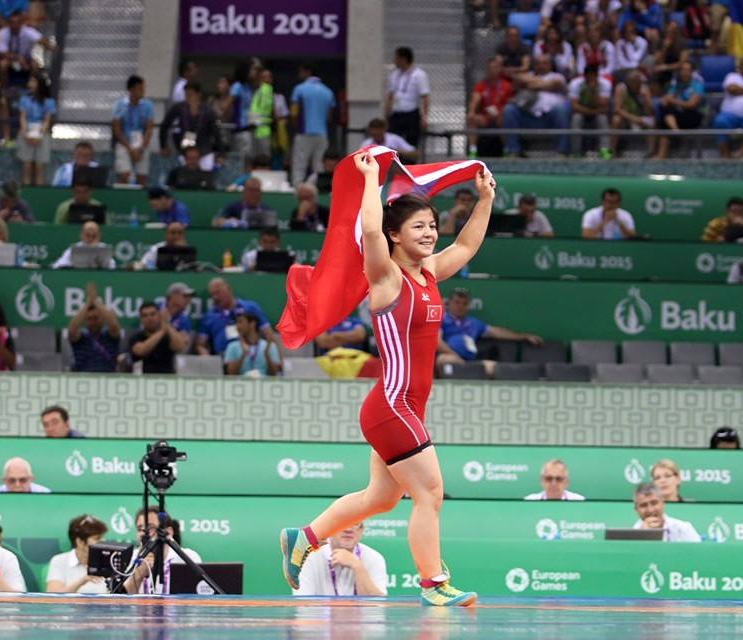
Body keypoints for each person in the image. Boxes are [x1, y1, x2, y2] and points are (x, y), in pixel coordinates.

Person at [279, 154, 497, 607]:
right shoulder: (386, 277)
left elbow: (467, 246)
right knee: (429, 492)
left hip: (407, 407)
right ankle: (433, 584)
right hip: (391, 406)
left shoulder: (430, 273)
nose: (430, 233)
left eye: (432, 225)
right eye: (419, 227)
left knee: (380, 499)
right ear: (397, 235)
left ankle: (304, 537)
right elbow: (371, 231)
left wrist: (485, 200)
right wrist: (371, 179)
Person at [436, 287, 542, 364]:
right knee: (444, 360)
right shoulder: (442, 319)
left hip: (471, 361)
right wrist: (454, 355)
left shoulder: (473, 323)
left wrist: (524, 336)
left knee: (493, 367)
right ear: (449, 303)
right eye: (457, 302)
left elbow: (497, 332)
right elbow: (437, 342)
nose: (460, 306)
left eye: (464, 303)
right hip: (451, 356)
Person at [501, 54, 571, 157]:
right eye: (538, 63)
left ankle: (562, 152)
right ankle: (513, 151)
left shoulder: (557, 76)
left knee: (560, 109)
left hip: (550, 118)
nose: (541, 66)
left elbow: (556, 84)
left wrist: (530, 84)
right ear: (534, 65)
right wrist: (545, 84)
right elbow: (517, 79)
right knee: (509, 110)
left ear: (550, 65)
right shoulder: (528, 74)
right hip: (528, 117)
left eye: (544, 63)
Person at [292, 523, 388, 597]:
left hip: (360, 618)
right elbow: (303, 605)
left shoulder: (374, 558)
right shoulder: (308, 557)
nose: (348, 529)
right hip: (318, 618)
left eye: (355, 523)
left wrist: (358, 567)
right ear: (330, 528)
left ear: (361, 530)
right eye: (343, 522)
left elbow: (378, 606)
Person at [123, 506, 201, 595]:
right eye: (140, 529)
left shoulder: (187, 558)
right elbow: (122, 599)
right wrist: (139, 574)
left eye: (151, 527)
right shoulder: (130, 558)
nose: (143, 533)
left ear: (169, 532)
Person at [197, 278, 278, 357]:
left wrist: (274, 357)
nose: (215, 297)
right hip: (222, 357)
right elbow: (200, 345)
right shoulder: (209, 316)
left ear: (229, 289)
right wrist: (207, 359)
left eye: (218, 292)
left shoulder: (250, 308)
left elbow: (268, 334)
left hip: (250, 356)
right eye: (212, 294)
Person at [289, 63, 335, 185]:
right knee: (319, 165)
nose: (299, 74)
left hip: (304, 132)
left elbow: (294, 112)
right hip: (322, 134)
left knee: (300, 164)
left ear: (307, 72)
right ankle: (319, 187)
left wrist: (294, 128)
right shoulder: (328, 91)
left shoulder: (299, 89)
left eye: (301, 72)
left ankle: (297, 187)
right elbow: (329, 117)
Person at [159, 81, 218, 171]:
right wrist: (163, 145)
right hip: (186, 148)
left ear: (198, 95)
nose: (188, 97)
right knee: (186, 173)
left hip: (204, 149)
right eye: (186, 94)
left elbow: (216, 132)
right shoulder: (179, 108)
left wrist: (221, 153)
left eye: (191, 94)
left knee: (205, 174)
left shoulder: (208, 111)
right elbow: (165, 125)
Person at [46, 515, 109, 594]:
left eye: (102, 537)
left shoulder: (109, 560)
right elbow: (53, 596)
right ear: (80, 542)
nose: (103, 541)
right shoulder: (59, 561)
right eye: (97, 538)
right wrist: (82, 581)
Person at [653, 60, 704, 160]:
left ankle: (663, 151)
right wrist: (664, 100)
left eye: (687, 70)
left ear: (692, 72)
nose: (684, 72)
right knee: (664, 112)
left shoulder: (697, 85)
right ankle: (674, 133)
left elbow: (691, 105)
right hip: (677, 115)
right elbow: (668, 97)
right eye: (682, 70)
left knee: (665, 118)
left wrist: (672, 101)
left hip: (692, 115)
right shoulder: (676, 85)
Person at [67, 283, 121, 372]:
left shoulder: (110, 336)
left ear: (102, 318)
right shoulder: (81, 338)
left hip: (108, 376)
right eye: (89, 319)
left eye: (96, 318)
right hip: (83, 376)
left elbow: (114, 326)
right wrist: (88, 303)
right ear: (85, 320)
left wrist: (95, 302)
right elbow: (72, 331)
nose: (93, 322)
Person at [111, 74, 154, 185]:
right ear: (132, 89)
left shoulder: (148, 105)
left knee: (141, 177)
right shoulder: (120, 105)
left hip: (141, 144)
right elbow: (116, 128)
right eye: (140, 89)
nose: (143, 91)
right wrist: (129, 148)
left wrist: (142, 148)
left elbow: (149, 128)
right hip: (124, 143)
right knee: (124, 174)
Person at [466, 57, 513, 158]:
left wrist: (500, 114)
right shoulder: (480, 85)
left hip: (500, 116)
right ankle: (473, 151)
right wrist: (471, 111)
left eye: (495, 68)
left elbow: (510, 104)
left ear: (500, 69)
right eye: (490, 68)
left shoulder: (507, 86)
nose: (492, 70)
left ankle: (507, 150)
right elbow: (475, 100)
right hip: (485, 117)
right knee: (472, 119)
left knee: (507, 119)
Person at [385, 46, 430, 147]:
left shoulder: (419, 75)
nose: (394, 61)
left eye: (396, 58)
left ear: (403, 59)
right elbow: (390, 96)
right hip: (396, 115)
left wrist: (424, 117)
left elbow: (425, 97)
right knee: (392, 143)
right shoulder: (394, 75)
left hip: (411, 114)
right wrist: (387, 115)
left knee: (411, 144)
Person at [16, 71, 54, 185]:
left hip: (42, 134)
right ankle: (26, 187)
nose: (30, 84)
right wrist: (25, 134)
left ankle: (39, 188)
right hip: (26, 133)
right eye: (29, 81)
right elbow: (22, 117)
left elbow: (47, 119)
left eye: (33, 81)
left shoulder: (49, 101)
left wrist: (40, 135)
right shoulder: (24, 99)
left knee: (39, 166)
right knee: (26, 165)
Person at [128, 301, 185, 374]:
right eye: (145, 315)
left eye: (153, 314)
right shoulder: (136, 337)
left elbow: (180, 347)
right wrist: (162, 331)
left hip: (168, 377)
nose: (149, 318)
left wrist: (166, 325)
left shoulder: (168, 335)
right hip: (144, 377)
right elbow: (141, 351)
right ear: (141, 319)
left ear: (159, 316)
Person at [632, 483, 701, 542]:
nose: (650, 510)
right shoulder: (631, 537)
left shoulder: (684, 529)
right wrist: (643, 535)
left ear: (663, 503)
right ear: (636, 509)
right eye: (643, 505)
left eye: (654, 503)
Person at [609, 70, 655, 157]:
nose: (640, 83)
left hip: (641, 117)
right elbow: (617, 109)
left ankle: (651, 152)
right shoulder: (621, 88)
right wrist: (633, 118)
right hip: (626, 118)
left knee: (651, 122)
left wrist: (645, 99)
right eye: (638, 82)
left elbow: (649, 112)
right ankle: (611, 151)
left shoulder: (644, 89)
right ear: (631, 82)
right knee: (616, 120)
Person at [569, 65, 612, 158]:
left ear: (597, 76)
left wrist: (593, 91)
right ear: (584, 76)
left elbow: (604, 106)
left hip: (597, 113)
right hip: (583, 112)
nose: (590, 79)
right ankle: (575, 153)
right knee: (576, 119)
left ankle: (605, 153)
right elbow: (574, 106)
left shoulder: (605, 84)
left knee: (603, 120)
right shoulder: (575, 84)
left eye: (593, 76)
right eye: (589, 76)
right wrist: (592, 111)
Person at [223, 309, 281, 378]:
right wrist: (243, 355)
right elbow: (231, 374)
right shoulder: (232, 346)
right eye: (236, 323)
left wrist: (266, 354)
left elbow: (274, 374)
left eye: (240, 322)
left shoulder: (270, 346)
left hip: (264, 383)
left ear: (252, 323)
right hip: (241, 383)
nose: (237, 326)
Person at [212, 177, 277, 229]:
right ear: (244, 192)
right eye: (251, 190)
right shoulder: (232, 207)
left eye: (257, 190)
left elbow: (273, 227)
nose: (254, 194)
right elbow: (215, 222)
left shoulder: (267, 210)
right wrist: (232, 223)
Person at [160, 282, 194, 349]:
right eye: (185, 296)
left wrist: (166, 324)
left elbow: (184, 343)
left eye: (189, 297)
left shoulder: (184, 319)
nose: (188, 299)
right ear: (173, 296)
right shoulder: (155, 310)